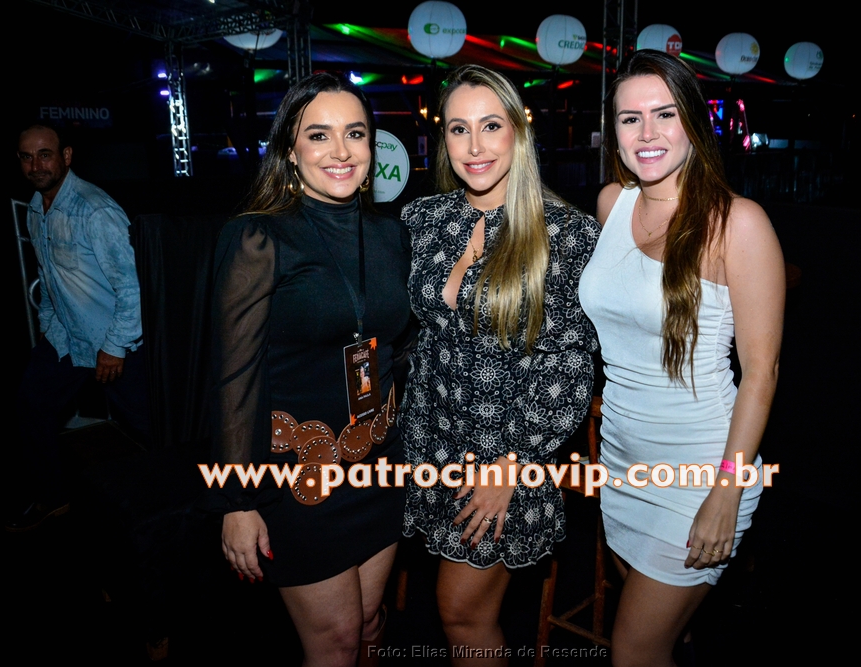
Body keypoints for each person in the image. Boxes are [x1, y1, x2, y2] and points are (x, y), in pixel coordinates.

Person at [579, 50, 785, 666]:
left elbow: (762, 373)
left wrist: (726, 492)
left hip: (700, 471)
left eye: (664, 114)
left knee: (633, 649)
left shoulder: (737, 224)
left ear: (692, 122)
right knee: (666, 640)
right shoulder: (612, 204)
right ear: (614, 132)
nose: (647, 133)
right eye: (630, 118)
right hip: (622, 461)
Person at [399, 65, 599, 664]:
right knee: (450, 614)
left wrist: (510, 465)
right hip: (432, 445)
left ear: (519, 132)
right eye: (458, 129)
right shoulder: (425, 220)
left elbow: (569, 369)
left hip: (504, 457)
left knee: (463, 614)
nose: (474, 146)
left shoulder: (565, 234)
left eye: (491, 126)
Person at [210, 73, 411, 667]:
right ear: (290, 150)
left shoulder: (390, 233)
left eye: (356, 133)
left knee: (370, 624)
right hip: (299, 480)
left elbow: (397, 347)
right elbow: (234, 378)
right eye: (319, 135)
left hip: (380, 465)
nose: (340, 151)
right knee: (335, 642)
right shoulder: (258, 236)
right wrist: (236, 500)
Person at [9, 123, 148, 532]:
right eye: (27, 157)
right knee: (31, 406)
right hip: (67, 339)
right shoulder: (36, 208)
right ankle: (53, 497)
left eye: (45, 154)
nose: (36, 165)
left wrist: (115, 347)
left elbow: (132, 287)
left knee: (150, 429)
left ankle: (187, 507)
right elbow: (50, 276)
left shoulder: (95, 210)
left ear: (66, 156)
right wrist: (48, 324)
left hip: (117, 343)